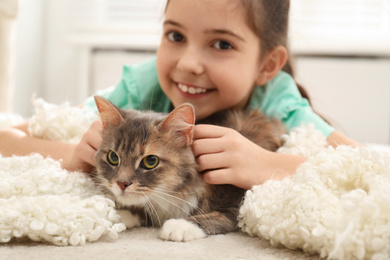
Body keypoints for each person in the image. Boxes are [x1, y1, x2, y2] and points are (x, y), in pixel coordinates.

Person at [0, 0, 359, 190]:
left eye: (221, 44)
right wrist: (74, 154)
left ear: (267, 65)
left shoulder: (275, 98)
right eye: (175, 36)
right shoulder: (143, 88)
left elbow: (366, 167)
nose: (188, 64)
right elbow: (7, 137)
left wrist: (265, 164)